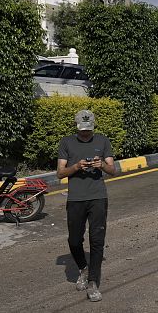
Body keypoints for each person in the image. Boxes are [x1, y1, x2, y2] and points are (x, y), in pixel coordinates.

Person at [57, 110, 118, 302]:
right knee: (74, 240)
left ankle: (93, 282)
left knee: (97, 239)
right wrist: (76, 167)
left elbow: (113, 171)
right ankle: (83, 268)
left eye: (88, 130)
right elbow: (60, 173)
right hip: (75, 198)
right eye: (82, 131)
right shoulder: (66, 142)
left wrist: (101, 166)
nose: (85, 134)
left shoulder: (103, 141)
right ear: (77, 126)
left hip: (98, 197)